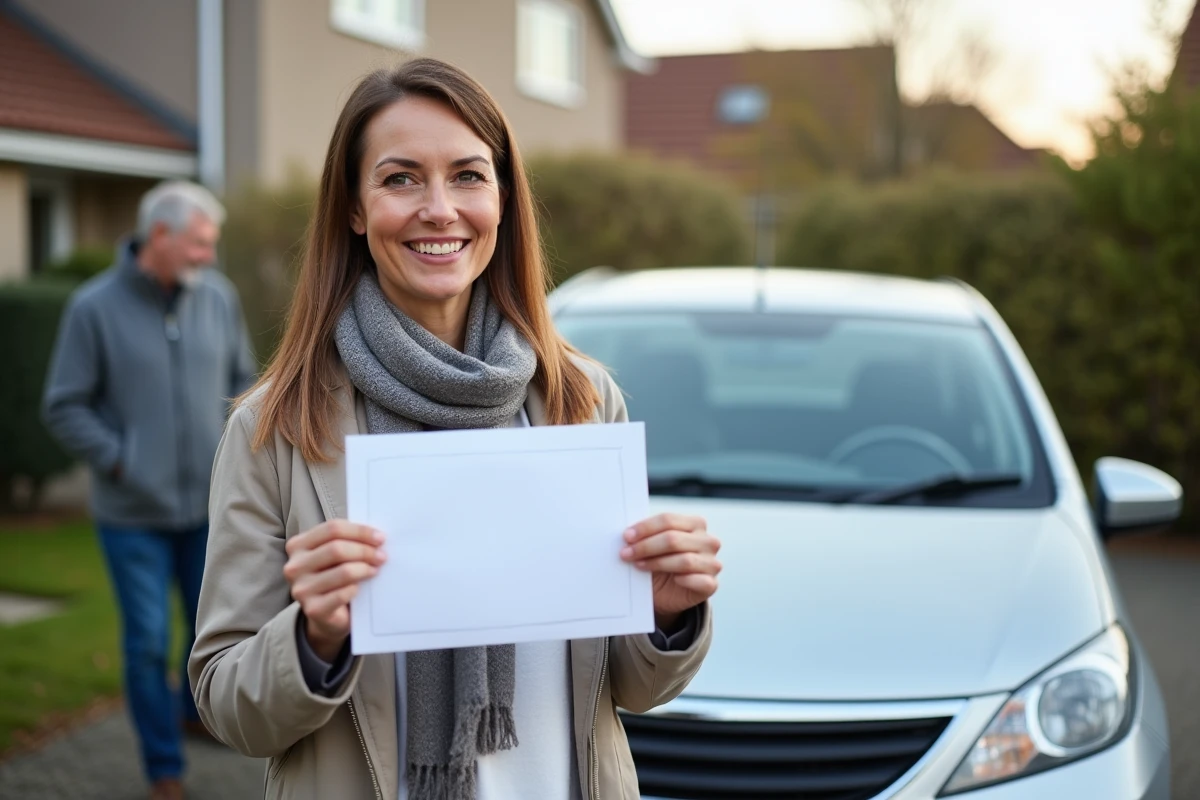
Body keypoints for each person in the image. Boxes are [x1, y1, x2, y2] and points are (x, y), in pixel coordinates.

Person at [188, 58, 721, 800]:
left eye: (469, 175)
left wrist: (666, 613)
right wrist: (312, 640)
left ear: (502, 199)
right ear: (353, 205)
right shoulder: (274, 427)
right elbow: (226, 705)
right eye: (401, 178)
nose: (439, 209)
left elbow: (630, 686)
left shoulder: (581, 398)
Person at [42, 180, 256, 800]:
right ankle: (164, 769)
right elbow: (65, 405)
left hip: (208, 509)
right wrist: (120, 461)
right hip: (131, 515)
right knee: (144, 644)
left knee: (209, 627)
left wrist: (235, 459)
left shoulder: (218, 298)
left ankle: (195, 715)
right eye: (197, 244)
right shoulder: (92, 308)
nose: (206, 258)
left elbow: (243, 383)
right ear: (158, 236)